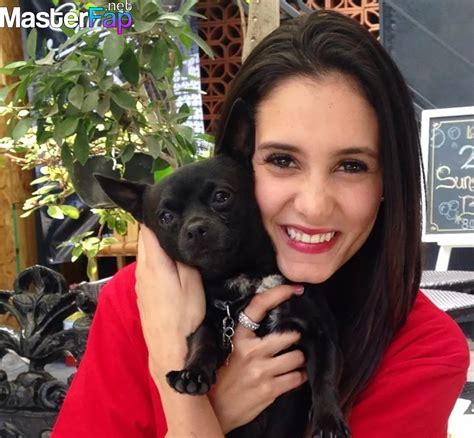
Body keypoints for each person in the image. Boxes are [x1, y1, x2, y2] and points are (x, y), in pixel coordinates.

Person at [52, 10, 470, 438]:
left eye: (351, 165)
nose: (313, 206)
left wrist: (188, 403)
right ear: (240, 161)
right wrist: (178, 359)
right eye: (282, 160)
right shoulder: (137, 302)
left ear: (389, 181)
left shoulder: (423, 350)